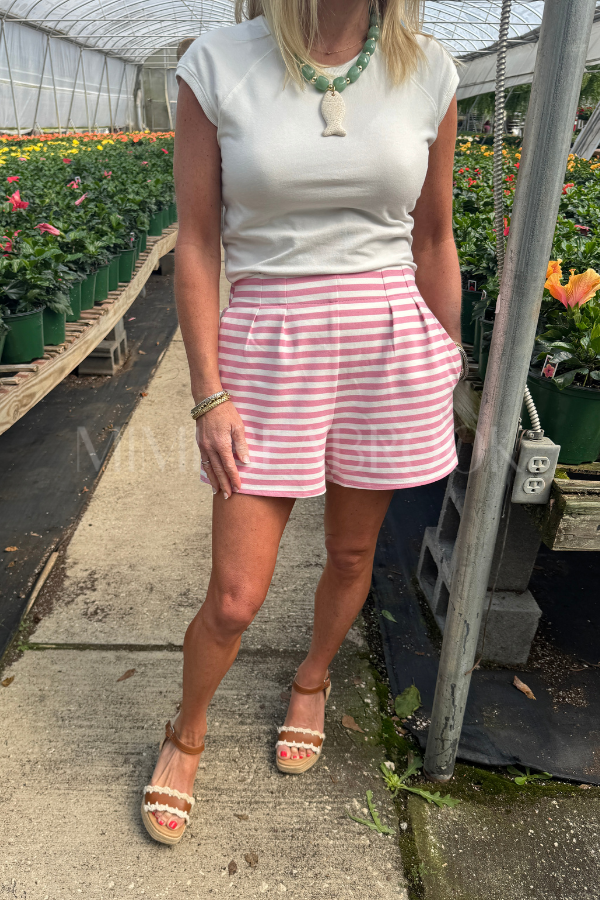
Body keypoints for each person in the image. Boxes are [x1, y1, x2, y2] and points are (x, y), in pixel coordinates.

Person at [141, 0, 466, 845]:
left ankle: (313, 680)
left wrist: (448, 357)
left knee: (353, 553)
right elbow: (198, 242)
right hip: (267, 346)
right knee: (235, 595)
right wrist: (208, 393)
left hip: (388, 346)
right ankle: (186, 729)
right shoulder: (218, 63)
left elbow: (434, 237)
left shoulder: (427, 68)